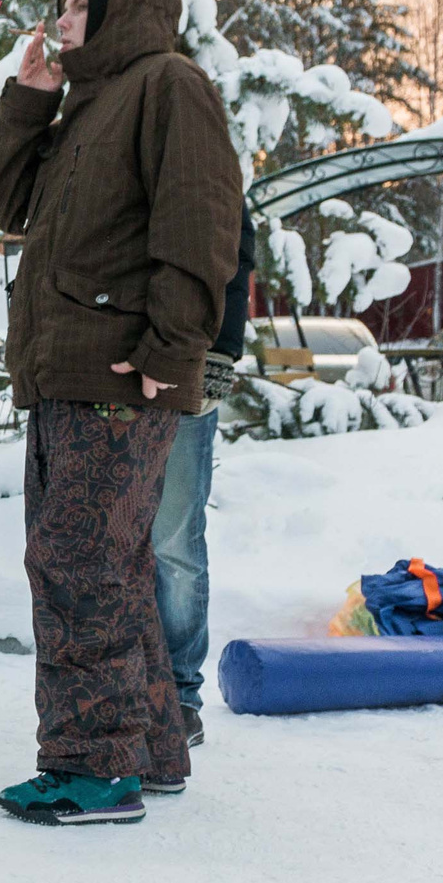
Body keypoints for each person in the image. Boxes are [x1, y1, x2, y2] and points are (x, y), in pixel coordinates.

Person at [0, 0, 242, 826]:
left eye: (81, 6)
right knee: (114, 569)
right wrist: (30, 101)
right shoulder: (89, 104)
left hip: (121, 376)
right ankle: (153, 751)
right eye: (60, 6)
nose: (63, 20)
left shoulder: (168, 86)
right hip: (65, 374)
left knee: (79, 567)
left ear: (126, 11)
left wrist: (173, 348)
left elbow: (201, 221)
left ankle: (92, 767)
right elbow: (11, 207)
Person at [150, 205, 256, 749]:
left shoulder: (195, 134)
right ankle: (130, 690)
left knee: (173, 542)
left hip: (188, 366)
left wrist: (221, 350)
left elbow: (234, 243)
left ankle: (180, 698)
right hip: (111, 364)